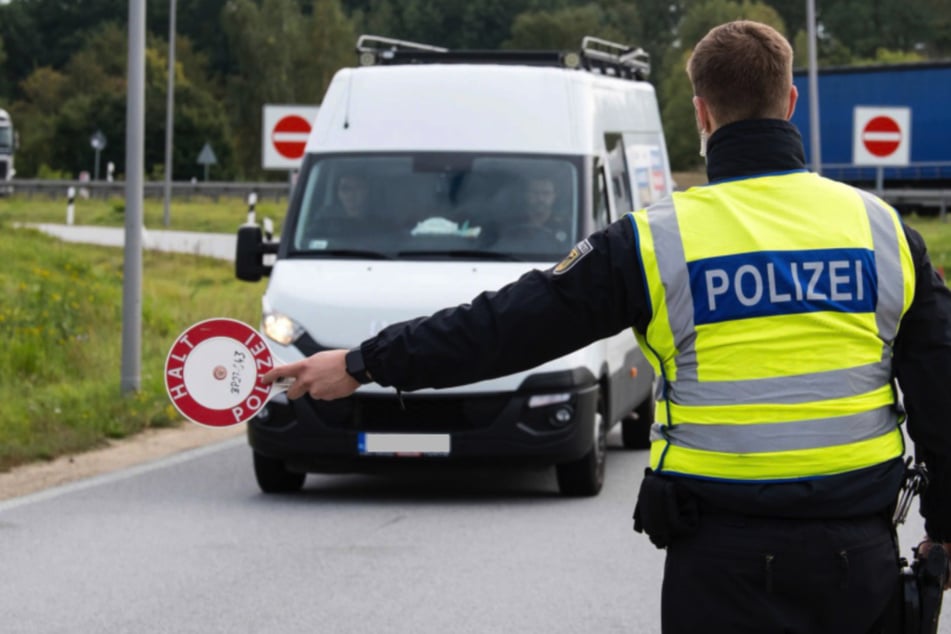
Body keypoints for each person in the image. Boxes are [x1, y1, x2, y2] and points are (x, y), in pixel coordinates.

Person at [264, 20, 950, 632]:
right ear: (790, 102)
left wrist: (361, 362)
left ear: (701, 112)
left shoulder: (654, 241)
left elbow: (502, 327)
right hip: (855, 561)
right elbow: (942, 397)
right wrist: (944, 533)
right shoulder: (884, 233)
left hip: (720, 568)